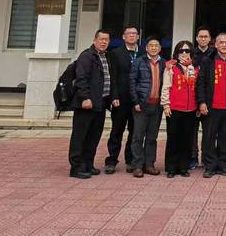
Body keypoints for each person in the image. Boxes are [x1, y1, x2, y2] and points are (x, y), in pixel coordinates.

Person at [68, 30, 119, 179]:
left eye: (106, 40)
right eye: (101, 39)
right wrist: (85, 97)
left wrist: (112, 97)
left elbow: (109, 78)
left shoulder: (106, 56)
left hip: (100, 103)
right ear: (94, 40)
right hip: (86, 104)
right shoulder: (87, 56)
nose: (104, 42)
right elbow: (81, 78)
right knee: (80, 136)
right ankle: (76, 167)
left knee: (94, 136)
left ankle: (88, 164)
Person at [197, 32, 226, 178]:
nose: (224, 45)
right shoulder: (207, 60)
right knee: (209, 137)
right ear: (215, 45)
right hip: (211, 106)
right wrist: (202, 102)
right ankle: (210, 165)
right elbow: (200, 83)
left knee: (225, 137)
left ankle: (222, 164)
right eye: (221, 42)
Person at [104, 25, 142, 174]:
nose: (132, 35)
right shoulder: (116, 53)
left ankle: (130, 160)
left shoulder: (143, 53)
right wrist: (113, 96)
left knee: (134, 131)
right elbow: (113, 76)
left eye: (134, 33)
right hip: (121, 99)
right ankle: (111, 160)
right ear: (123, 37)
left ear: (138, 37)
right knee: (117, 130)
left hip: (137, 99)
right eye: (129, 33)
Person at [129, 36, 166, 178]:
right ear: (146, 48)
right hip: (142, 105)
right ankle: (137, 165)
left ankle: (149, 164)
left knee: (152, 137)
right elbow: (132, 82)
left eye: (156, 45)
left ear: (160, 48)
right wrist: (135, 102)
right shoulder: (139, 62)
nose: (154, 47)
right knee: (138, 136)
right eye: (151, 45)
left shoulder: (164, 63)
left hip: (157, 106)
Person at [161, 40, 198, 178]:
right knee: (173, 139)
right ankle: (171, 168)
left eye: (187, 51)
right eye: (181, 51)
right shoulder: (171, 67)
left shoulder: (194, 68)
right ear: (176, 53)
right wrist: (166, 104)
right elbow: (166, 87)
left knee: (187, 140)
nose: (184, 53)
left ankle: (183, 167)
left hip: (191, 110)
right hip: (175, 109)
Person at [190, 26, 215, 169]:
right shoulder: (190, 54)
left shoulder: (214, 54)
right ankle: (193, 157)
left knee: (209, 132)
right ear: (196, 38)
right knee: (192, 131)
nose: (203, 39)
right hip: (192, 98)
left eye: (206, 36)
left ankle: (207, 158)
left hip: (209, 99)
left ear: (210, 39)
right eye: (201, 36)